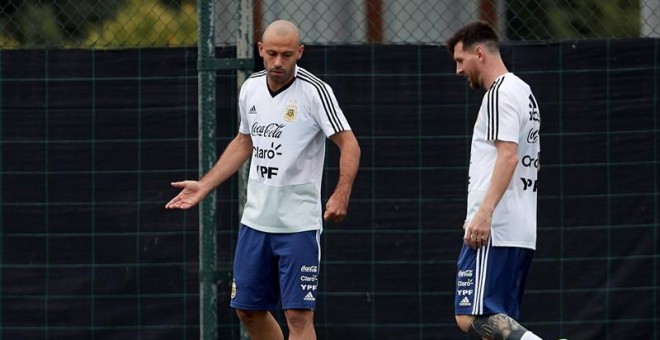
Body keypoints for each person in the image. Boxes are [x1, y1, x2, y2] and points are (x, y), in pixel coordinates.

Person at [166, 20, 360, 340]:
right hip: (256, 222)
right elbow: (245, 141)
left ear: (299, 53)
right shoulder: (251, 88)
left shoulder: (315, 92)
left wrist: (342, 192)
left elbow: (349, 143)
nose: (278, 62)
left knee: (298, 315)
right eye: (271, 54)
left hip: (298, 225)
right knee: (248, 310)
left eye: (286, 55)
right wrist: (205, 184)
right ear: (260, 50)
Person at [446, 21, 542, 340]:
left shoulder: (500, 93)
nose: (458, 70)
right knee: (498, 326)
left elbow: (509, 156)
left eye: (461, 61)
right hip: (520, 227)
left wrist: (484, 214)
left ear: (479, 53)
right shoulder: (523, 91)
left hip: (495, 229)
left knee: (471, 314)